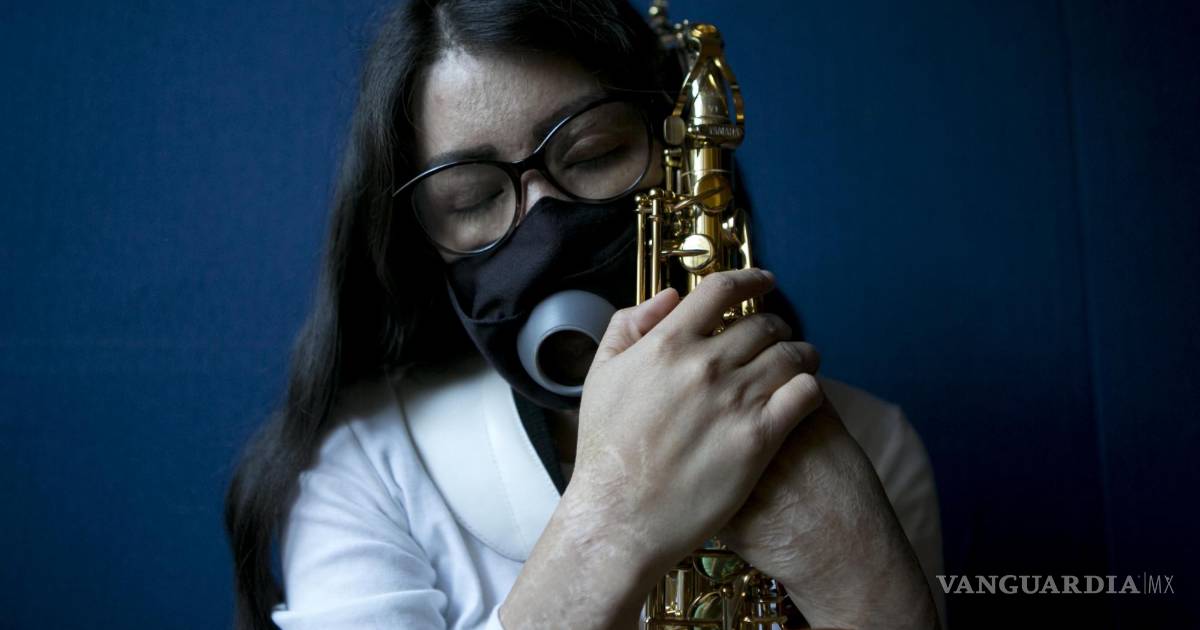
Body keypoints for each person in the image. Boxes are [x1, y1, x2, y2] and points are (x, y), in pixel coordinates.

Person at [224, 1, 945, 629]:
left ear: (677, 151)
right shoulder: (364, 467)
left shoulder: (872, 445)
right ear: (419, 241)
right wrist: (612, 520)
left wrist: (862, 586)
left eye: (595, 153)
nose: (545, 233)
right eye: (473, 199)